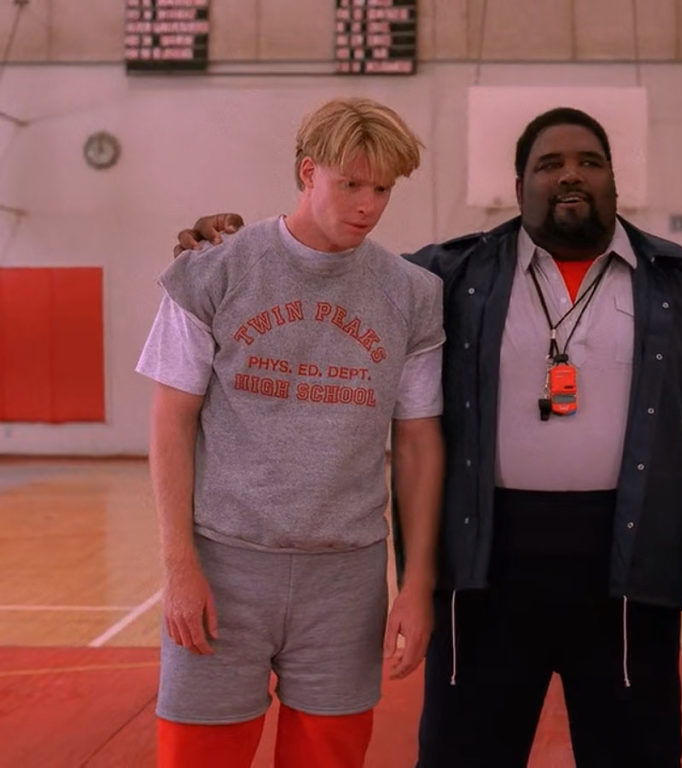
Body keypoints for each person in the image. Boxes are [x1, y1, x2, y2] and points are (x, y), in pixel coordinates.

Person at [175, 109, 682, 767]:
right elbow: (339, 273)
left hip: (628, 559)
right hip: (488, 557)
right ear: (519, 184)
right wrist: (237, 245)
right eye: (550, 163)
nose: (572, 174)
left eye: (590, 161)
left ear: (614, 181)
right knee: (465, 749)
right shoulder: (447, 273)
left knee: (634, 750)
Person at [138, 97, 444, 768]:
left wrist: (417, 581)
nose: (368, 204)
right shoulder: (212, 269)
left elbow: (420, 445)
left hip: (347, 577)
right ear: (310, 172)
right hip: (223, 565)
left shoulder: (413, 295)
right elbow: (169, 422)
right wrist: (178, 565)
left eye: (384, 188)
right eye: (351, 184)